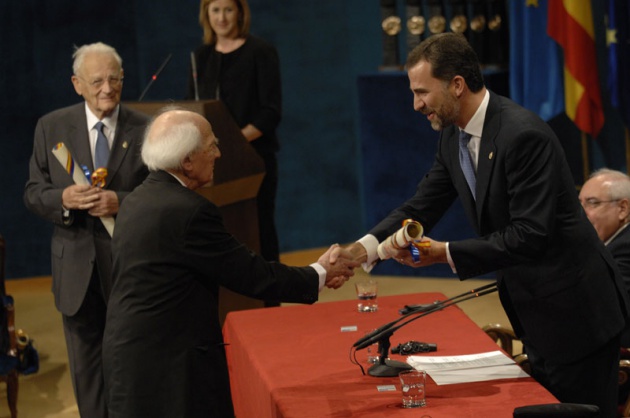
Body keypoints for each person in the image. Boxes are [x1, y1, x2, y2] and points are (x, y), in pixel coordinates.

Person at [334, 33, 629, 416]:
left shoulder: (523, 135)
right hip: (535, 312)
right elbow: (422, 204)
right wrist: (360, 251)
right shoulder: (453, 137)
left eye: (422, 91)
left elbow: (530, 235)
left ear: (456, 85)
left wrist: (445, 254)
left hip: (577, 316)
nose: (416, 104)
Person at [101, 108, 357, 418]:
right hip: (171, 371)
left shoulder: (136, 200)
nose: (219, 154)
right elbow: (250, 274)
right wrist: (319, 273)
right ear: (186, 161)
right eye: (211, 146)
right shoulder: (188, 211)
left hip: (130, 360)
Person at [23, 42, 149, 417]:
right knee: (88, 374)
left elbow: (164, 194)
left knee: (132, 365)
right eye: (97, 81)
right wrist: (64, 198)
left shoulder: (145, 129)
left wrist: (121, 202)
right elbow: (33, 193)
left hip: (129, 268)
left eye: (115, 79)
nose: (107, 89)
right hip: (75, 271)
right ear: (77, 84)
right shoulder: (52, 127)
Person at [187, 0, 282, 268]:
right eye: (215, 10)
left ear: (240, 12)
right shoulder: (200, 57)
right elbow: (191, 107)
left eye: (228, 9)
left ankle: (268, 304)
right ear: (206, 14)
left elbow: (270, 112)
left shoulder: (261, 52)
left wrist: (231, 142)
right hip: (209, 163)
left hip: (252, 158)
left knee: (258, 231)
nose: (222, 17)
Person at [579, 168, 630, 346]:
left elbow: (599, 303)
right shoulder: (611, 242)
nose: (581, 213)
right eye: (580, 204)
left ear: (623, 209)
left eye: (592, 203)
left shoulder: (626, 247)